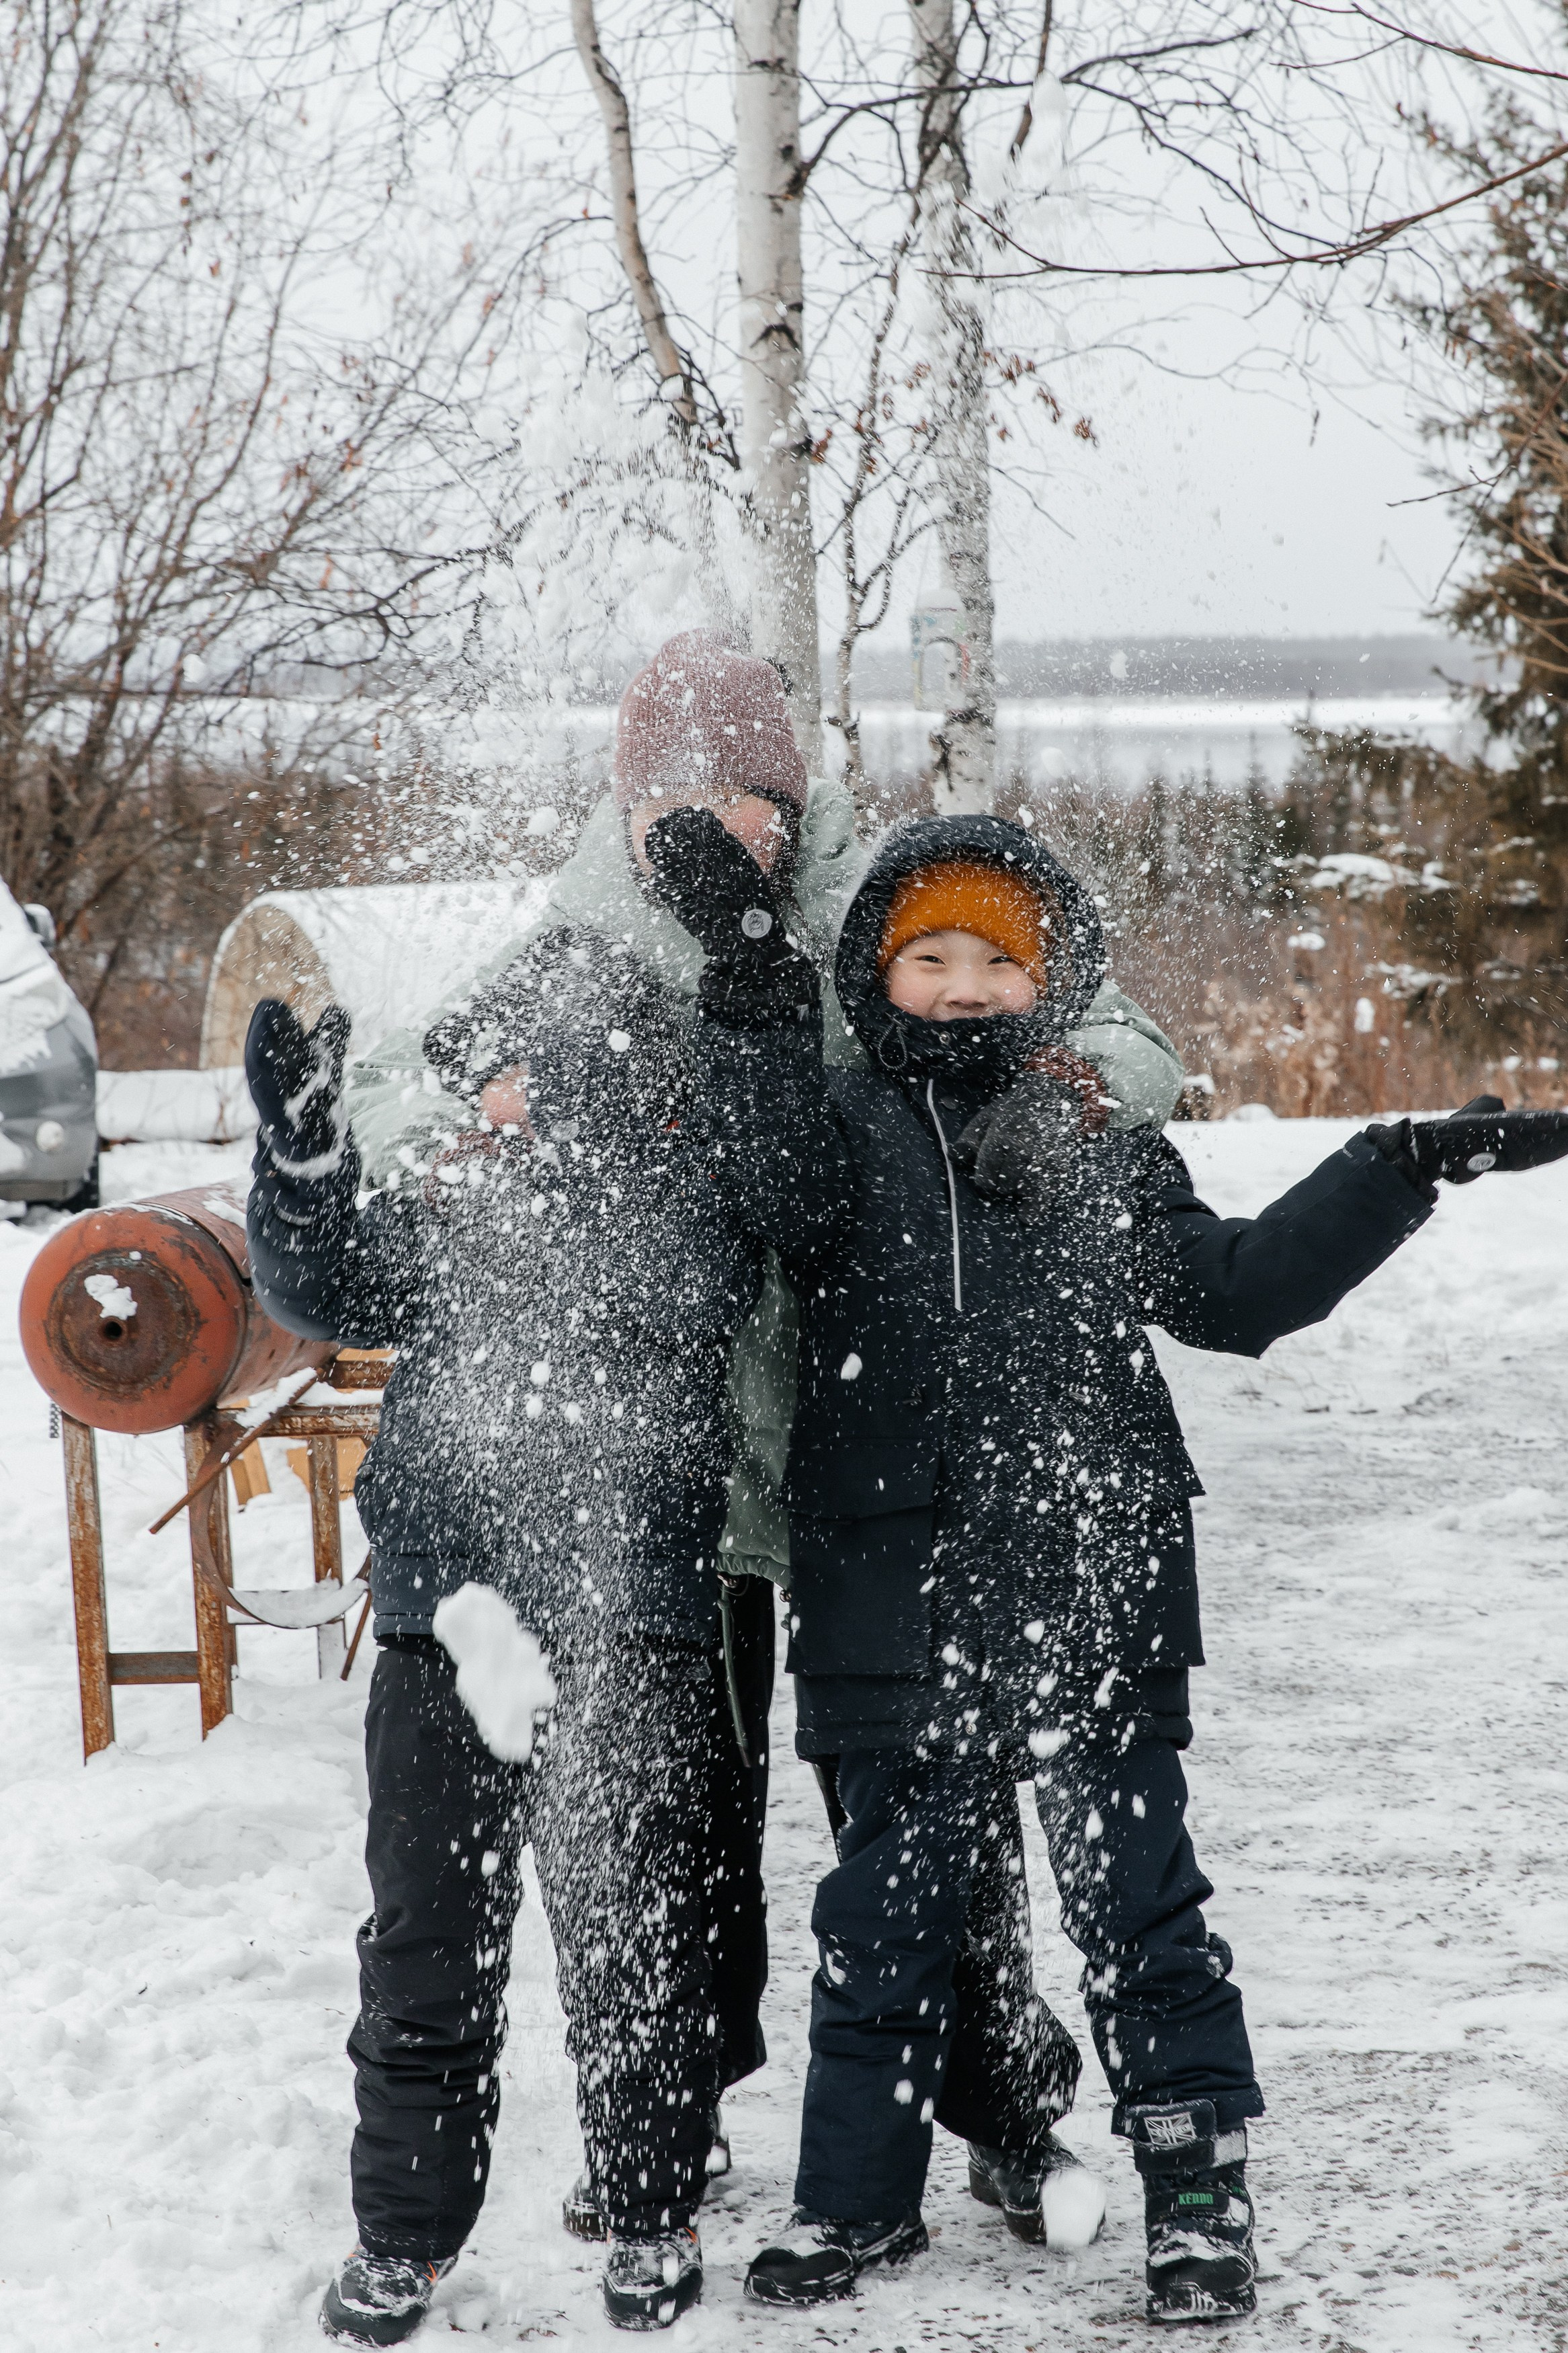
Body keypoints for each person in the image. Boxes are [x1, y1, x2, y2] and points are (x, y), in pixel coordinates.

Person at [643, 801, 1568, 2323]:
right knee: (881, 1921)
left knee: (1138, 1913)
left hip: (1094, 1570)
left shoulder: (1089, 1135)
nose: (957, 984)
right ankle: (854, 2201)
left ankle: (1196, 2193)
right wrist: (750, 977)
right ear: (876, 976)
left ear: (1048, 977)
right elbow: (757, 1185)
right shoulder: (835, 1134)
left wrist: (1398, 1164)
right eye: (924, 954)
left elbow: (1240, 1293)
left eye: (991, 961)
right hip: (888, 1594)